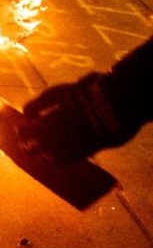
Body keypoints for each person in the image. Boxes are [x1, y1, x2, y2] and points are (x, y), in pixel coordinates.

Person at [21, 35, 153, 162]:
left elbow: (117, 137)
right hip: (124, 87)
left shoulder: (111, 133)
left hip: (130, 94)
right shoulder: (80, 98)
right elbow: (59, 92)